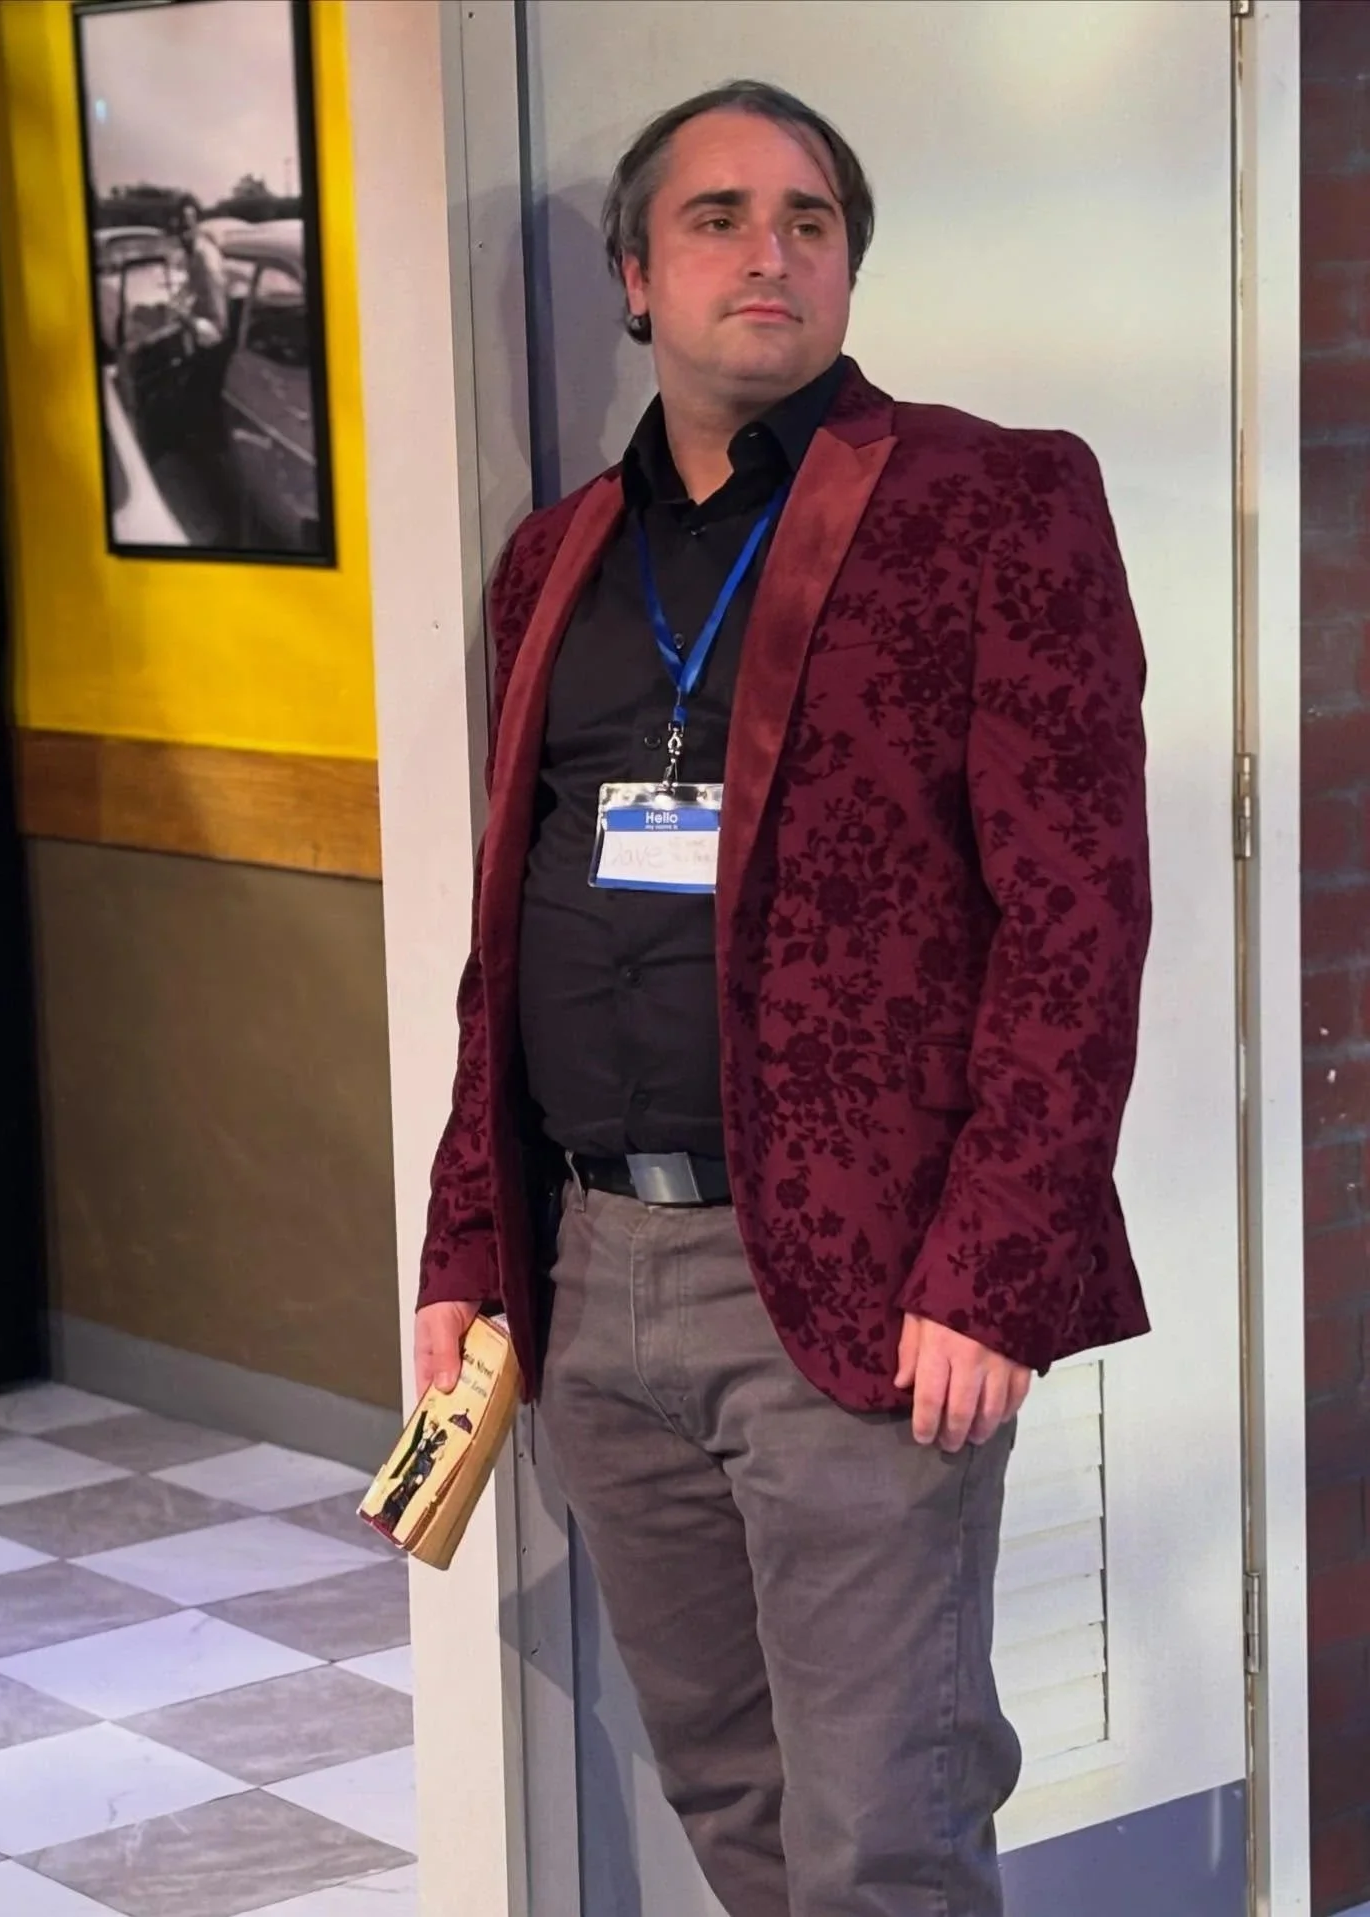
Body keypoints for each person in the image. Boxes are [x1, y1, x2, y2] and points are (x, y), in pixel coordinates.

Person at [415, 79, 1151, 1917]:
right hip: (593, 1279)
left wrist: (989, 1270)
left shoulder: (988, 503)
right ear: (635, 280)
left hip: (856, 1289)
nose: (771, 251)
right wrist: (464, 1241)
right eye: (720, 217)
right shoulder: (552, 559)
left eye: (809, 220)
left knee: (877, 1829)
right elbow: (508, 934)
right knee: (728, 1791)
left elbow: (1078, 920)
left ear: (844, 269)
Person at [172, 195, 228, 349]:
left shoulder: (204, 256)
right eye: (179, 230)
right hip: (203, 325)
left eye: (186, 228)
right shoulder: (192, 253)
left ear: (196, 225)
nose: (183, 236)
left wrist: (186, 317)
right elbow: (192, 287)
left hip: (213, 331)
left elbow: (216, 302)